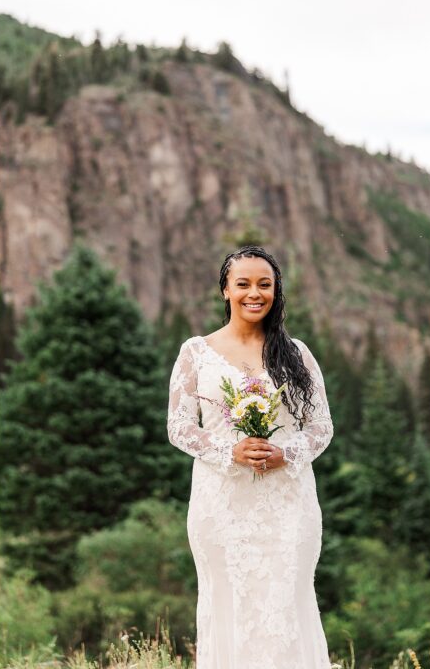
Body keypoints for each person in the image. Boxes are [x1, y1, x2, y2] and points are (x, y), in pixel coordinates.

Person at [167, 245, 333, 669]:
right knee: (228, 604)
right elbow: (180, 427)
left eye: (265, 284)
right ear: (225, 290)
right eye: (243, 284)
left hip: (287, 502)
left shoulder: (296, 354)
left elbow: (321, 427)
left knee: (285, 604)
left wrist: (286, 452)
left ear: (276, 291)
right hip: (221, 504)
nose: (254, 293)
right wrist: (230, 450)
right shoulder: (196, 352)